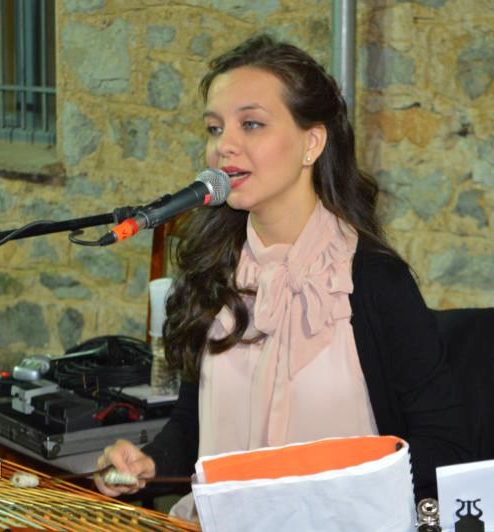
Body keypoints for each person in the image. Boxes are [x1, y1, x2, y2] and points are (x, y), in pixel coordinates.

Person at [94, 34, 470, 510]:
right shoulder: (211, 270)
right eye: (214, 128)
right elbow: (194, 426)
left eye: (251, 124)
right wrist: (149, 463)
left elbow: (445, 443)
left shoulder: (373, 280)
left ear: (312, 143)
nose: (224, 146)